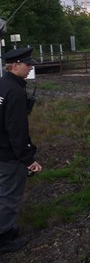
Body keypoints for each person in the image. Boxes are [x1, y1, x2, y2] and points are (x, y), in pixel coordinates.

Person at [0, 47, 42, 254]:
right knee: (9, 196)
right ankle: (4, 238)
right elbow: (16, 131)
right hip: (8, 155)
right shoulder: (15, 92)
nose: (31, 67)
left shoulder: (3, 85)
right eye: (28, 64)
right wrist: (28, 159)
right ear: (15, 66)